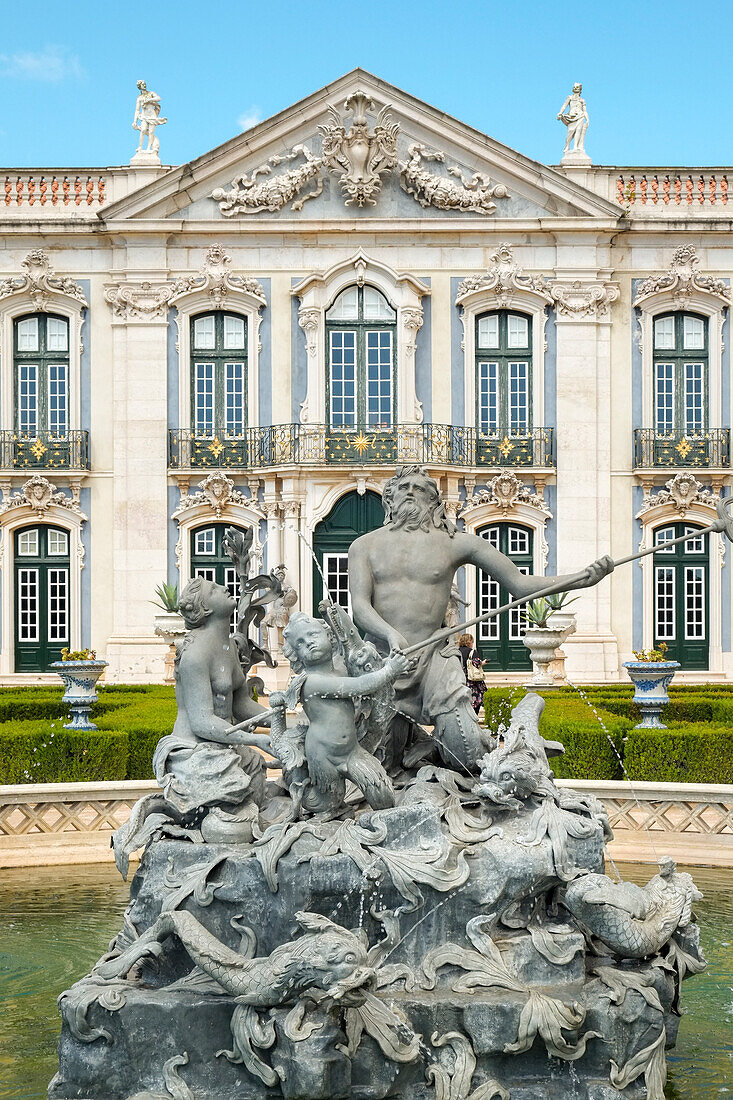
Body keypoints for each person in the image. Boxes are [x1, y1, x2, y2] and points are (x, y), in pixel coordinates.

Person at [348, 465, 613, 771]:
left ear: (433, 500)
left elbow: (518, 583)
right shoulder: (364, 546)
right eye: (404, 486)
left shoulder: (455, 543)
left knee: (468, 755)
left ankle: (433, 749)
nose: (410, 492)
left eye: (419, 488)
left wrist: (582, 578)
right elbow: (360, 608)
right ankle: (418, 748)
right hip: (384, 661)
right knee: (379, 762)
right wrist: (390, 634)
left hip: (435, 658)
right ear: (390, 498)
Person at [153, 576, 269, 823]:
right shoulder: (195, 655)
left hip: (222, 748)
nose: (225, 587)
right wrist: (255, 739)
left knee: (256, 773)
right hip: (194, 753)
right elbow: (202, 722)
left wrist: (280, 722)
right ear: (205, 609)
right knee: (237, 791)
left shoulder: (227, 645)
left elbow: (240, 704)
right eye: (215, 589)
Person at [269, 613, 410, 814]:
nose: (308, 643)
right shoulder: (312, 681)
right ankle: (299, 787)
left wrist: (387, 664)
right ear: (296, 655)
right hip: (323, 756)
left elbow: (366, 674)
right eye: (300, 643)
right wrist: (389, 671)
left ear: (329, 636)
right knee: (326, 804)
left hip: (352, 750)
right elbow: (360, 685)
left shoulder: (338, 671)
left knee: (383, 796)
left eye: (312, 635)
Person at [557, 83, 589, 156]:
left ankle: (575, 147)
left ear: (580, 89)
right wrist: (560, 112)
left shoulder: (582, 100)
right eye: (574, 87)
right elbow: (564, 106)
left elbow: (585, 111)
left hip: (580, 116)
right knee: (570, 132)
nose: (576, 88)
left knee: (578, 131)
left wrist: (587, 119)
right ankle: (567, 146)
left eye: (577, 87)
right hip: (571, 117)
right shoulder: (570, 97)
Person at [458, 633, 486, 714]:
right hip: (472, 681)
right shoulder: (472, 652)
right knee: (475, 701)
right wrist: (483, 663)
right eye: (472, 642)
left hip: (460, 680)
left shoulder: (457, 652)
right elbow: (477, 663)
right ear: (469, 642)